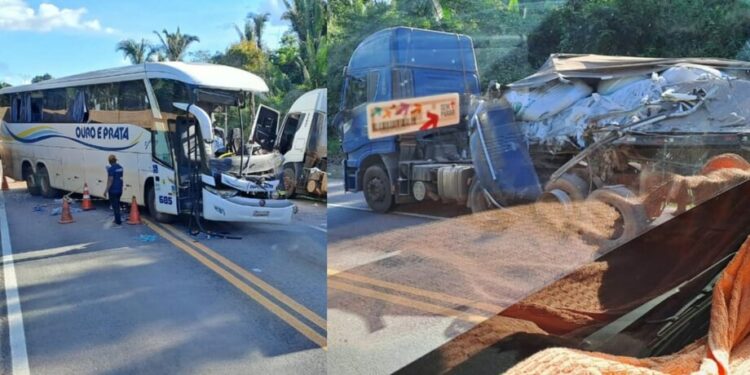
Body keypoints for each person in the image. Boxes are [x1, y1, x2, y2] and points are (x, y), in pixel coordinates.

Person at [103, 154, 124, 225]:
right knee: (117, 204)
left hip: (113, 190)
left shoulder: (111, 169)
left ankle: (118, 222)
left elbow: (110, 180)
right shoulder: (120, 167)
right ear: (115, 160)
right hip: (119, 189)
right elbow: (118, 176)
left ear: (109, 161)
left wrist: (105, 191)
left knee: (115, 206)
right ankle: (116, 219)